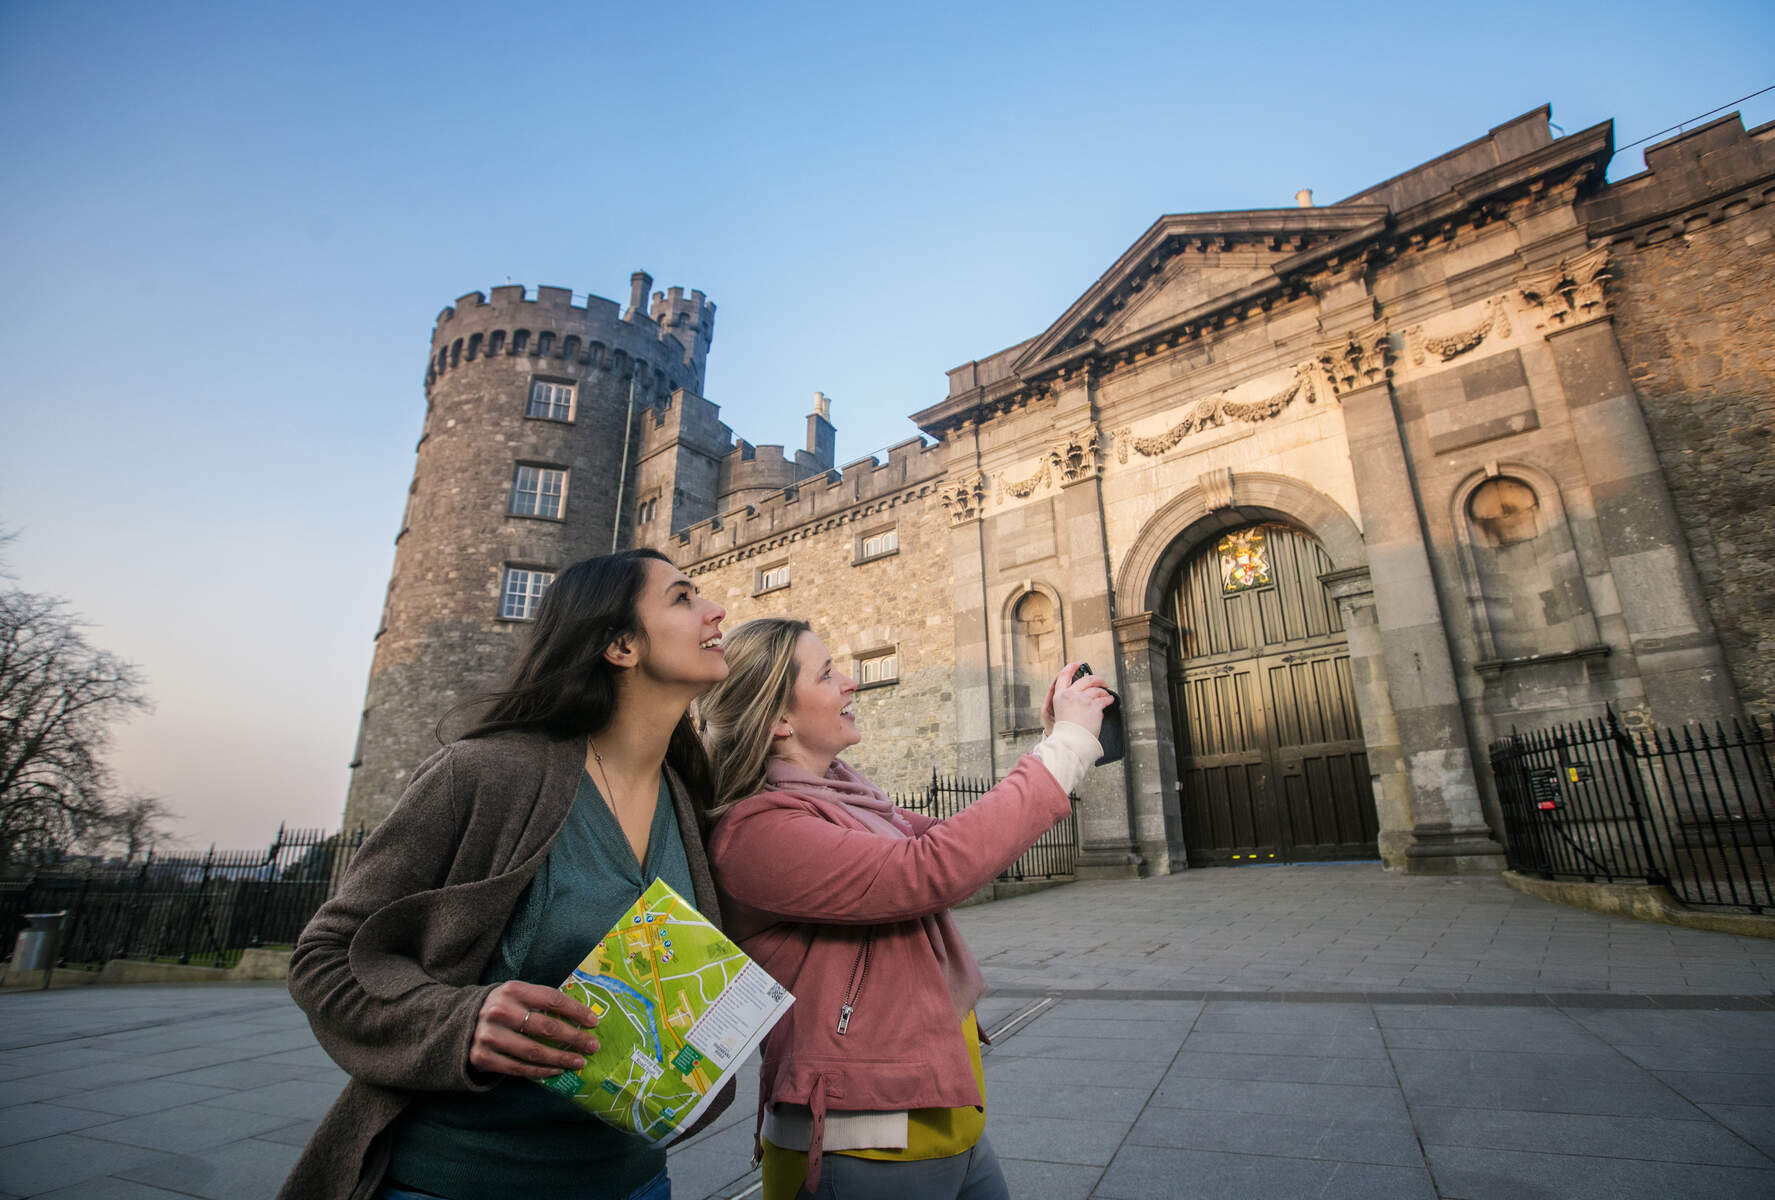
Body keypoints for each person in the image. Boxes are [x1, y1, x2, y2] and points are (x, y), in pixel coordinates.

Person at [279, 549, 733, 1200]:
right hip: (457, 1181)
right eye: (683, 597)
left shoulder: (688, 798)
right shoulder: (485, 774)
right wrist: (461, 1019)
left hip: (634, 1182)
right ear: (619, 646)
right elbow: (326, 959)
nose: (716, 610)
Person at [698, 618, 1112, 1200]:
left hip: (947, 1116)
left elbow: (961, 842)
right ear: (778, 721)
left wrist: (1048, 742)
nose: (850, 684)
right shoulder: (757, 832)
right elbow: (929, 871)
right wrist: (1065, 747)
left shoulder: (851, 799)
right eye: (826, 673)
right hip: (856, 1142)